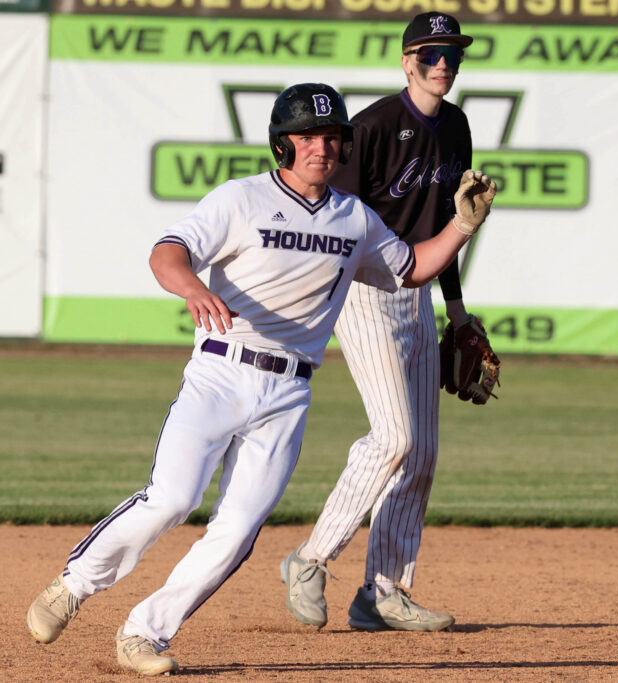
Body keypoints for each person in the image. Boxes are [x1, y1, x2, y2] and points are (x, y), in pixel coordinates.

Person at [25, 82, 496, 675]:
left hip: (289, 393)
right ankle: (72, 586)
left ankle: (145, 633)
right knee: (173, 498)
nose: (321, 147)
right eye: (307, 136)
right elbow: (167, 253)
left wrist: (461, 225)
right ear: (282, 145)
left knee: (239, 530)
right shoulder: (240, 200)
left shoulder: (355, 219)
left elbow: (412, 270)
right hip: (220, 374)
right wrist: (195, 287)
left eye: (332, 137)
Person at [279, 11, 490, 633]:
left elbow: (447, 225)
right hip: (367, 291)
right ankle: (311, 559)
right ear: (407, 63)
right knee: (394, 438)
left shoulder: (455, 127)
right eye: (430, 55)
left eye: (452, 54)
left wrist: (455, 308)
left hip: (420, 293)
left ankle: (383, 592)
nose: (443, 65)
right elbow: (330, 216)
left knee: (421, 453)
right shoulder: (371, 126)